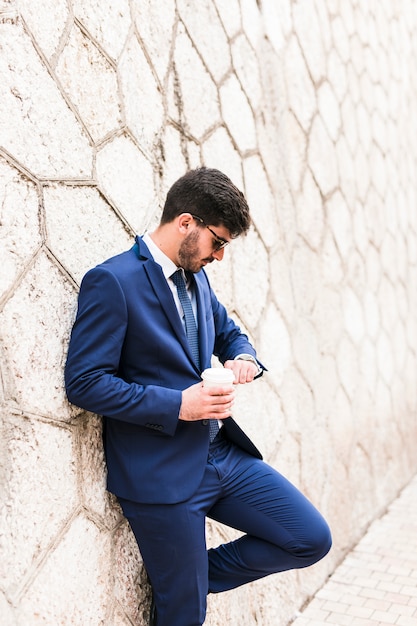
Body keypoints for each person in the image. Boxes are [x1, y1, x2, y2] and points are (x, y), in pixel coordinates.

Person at [65, 167, 331, 626]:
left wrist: (244, 356)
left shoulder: (196, 277)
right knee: (186, 615)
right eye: (219, 242)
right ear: (186, 223)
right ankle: (182, 583)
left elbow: (229, 331)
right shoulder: (113, 281)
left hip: (221, 455)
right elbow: (85, 381)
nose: (220, 256)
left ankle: (187, 575)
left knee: (310, 537)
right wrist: (177, 405)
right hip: (160, 474)